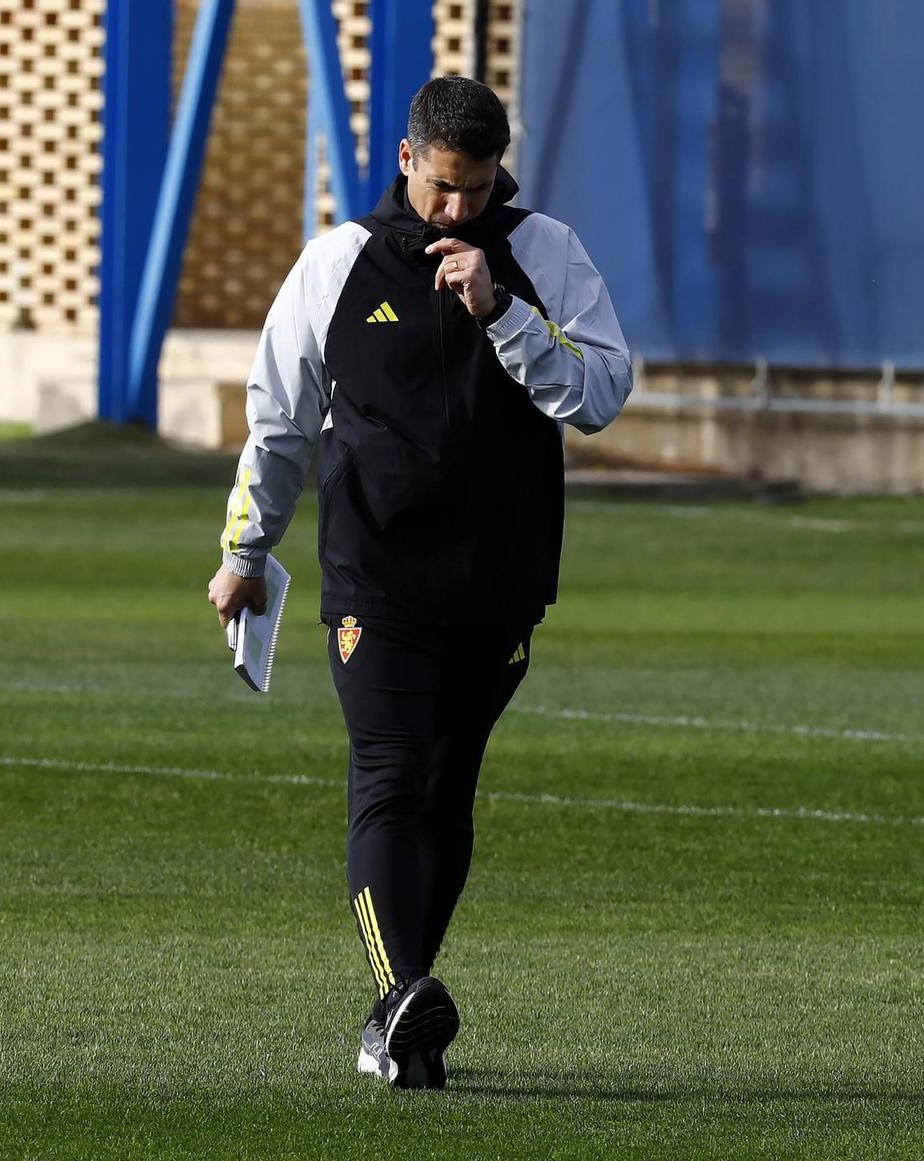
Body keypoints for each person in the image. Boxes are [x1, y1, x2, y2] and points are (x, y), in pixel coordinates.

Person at [204, 76, 631, 1090]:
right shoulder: (336, 264)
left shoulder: (545, 254)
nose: (454, 210)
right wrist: (245, 551)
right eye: (441, 187)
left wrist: (505, 313)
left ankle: (394, 1020)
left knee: (445, 796)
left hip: (498, 580)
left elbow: (603, 392)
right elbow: (278, 423)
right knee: (388, 781)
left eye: (474, 190)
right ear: (407, 162)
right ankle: (402, 996)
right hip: (375, 579)